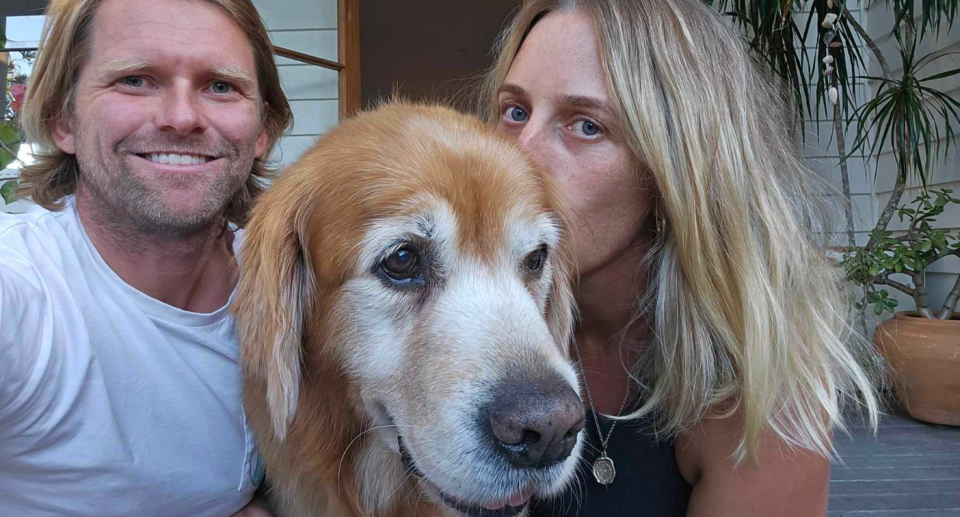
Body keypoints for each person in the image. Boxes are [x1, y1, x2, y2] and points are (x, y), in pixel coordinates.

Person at [479, 0, 880, 515]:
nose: (516, 158)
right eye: (515, 112)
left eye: (585, 126)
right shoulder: (446, 317)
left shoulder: (756, 383)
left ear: (676, 172)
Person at [0, 0, 291, 515]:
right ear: (62, 118)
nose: (182, 118)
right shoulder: (22, 290)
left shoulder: (291, 281)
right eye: (136, 80)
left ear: (262, 130)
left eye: (221, 86)